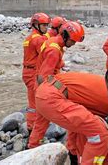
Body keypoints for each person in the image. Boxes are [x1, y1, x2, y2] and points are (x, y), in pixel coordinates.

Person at [35, 72, 108, 165]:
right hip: (53, 98)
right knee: (101, 133)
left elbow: (79, 127)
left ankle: (74, 159)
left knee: (87, 127)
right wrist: (107, 162)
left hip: (44, 92)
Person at [28, 21, 85, 149]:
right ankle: (72, 145)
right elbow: (44, 76)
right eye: (73, 41)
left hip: (41, 87)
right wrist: (60, 89)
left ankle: (32, 145)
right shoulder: (54, 50)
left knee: (41, 121)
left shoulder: (53, 42)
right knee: (61, 114)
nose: (74, 44)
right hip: (45, 89)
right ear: (65, 35)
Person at [22, 12, 51, 131]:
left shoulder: (30, 37)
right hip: (32, 73)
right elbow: (46, 54)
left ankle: (32, 125)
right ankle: (32, 127)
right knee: (35, 102)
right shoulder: (38, 39)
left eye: (47, 25)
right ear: (36, 25)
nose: (46, 27)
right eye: (44, 25)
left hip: (28, 72)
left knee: (33, 100)